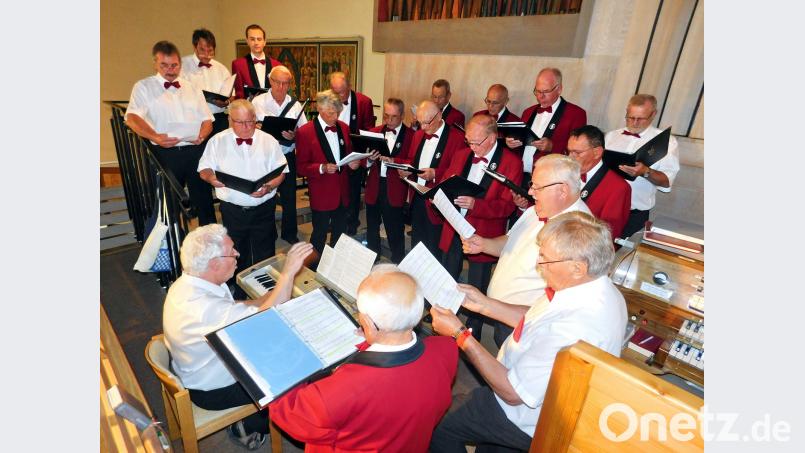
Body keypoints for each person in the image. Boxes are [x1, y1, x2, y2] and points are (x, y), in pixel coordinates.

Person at [429, 211, 627, 452]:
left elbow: (513, 392)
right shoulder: (595, 287)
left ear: (577, 268)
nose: (538, 265)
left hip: (521, 417)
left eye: (545, 259)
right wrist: (485, 305)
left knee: (441, 423)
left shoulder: (576, 325)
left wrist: (459, 334)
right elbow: (538, 318)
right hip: (522, 394)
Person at [270, 264, 458, 452]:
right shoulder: (447, 349)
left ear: (368, 322)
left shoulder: (340, 392)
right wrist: (372, 340)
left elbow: (292, 415)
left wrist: (283, 358)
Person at [162, 224, 313, 450]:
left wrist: (265, 298)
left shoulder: (189, 283)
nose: (237, 254)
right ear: (214, 264)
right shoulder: (204, 309)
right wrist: (288, 273)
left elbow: (232, 309)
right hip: (215, 391)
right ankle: (254, 424)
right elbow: (267, 319)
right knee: (301, 368)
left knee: (284, 348)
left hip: (195, 369)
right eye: (231, 252)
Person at [463, 154, 591, 347]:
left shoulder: (578, 234)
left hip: (527, 325)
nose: (530, 192)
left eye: (537, 187)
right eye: (532, 184)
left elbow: (559, 305)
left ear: (563, 190)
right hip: (503, 314)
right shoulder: (537, 209)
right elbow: (511, 242)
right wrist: (484, 245)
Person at [438, 114, 522, 341]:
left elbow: (507, 207)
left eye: (476, 142)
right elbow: (445, 180)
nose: (472, 147)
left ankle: (473, 326)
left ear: (493, 138)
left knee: (478, 283)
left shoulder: (512, 162)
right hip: (454, 226)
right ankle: (445, 314)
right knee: (448, 273)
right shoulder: (461, 154)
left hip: (484, 234)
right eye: (469, 141)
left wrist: (477, 205)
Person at [197, 100, 288, 294]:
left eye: (250, 121)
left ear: (255, 118)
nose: (246, 127)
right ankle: (240, 293)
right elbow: (203, 169)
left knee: (266, 252)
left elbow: (282, 171)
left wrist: (269, 187)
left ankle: (266, 295)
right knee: (237, 253)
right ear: (230, 120)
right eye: (240, 122)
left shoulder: (268, 140)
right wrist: (211, 178)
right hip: (233, 211)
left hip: (264, 208)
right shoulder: (217, 141)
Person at [125, 40, 216, 226]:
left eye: (174, 65)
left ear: (180, 64)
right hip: (164, 153)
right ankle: (174, 241)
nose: (170, 70)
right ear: (155, 64)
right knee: (169, 205)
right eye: (164, 65)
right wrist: (155, 137)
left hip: (195, 151)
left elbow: (208, 119)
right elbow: (132, 118)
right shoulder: (143, 87)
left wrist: (202, 135)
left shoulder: (192, 87)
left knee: (204, 202)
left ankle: (211, 240)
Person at [295, 90, 364, 257]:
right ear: (320, 109)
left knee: (340, 235)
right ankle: (313, 267)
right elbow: (301, 167)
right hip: (322, 194)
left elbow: (348, 156)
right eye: (331, 113)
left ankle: (334, 264)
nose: (335, 117)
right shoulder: (305, 132)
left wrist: (353, 164)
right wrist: (321, 168)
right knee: (319, 235)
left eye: (338, 113)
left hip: (342, 192)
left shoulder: (344, 128)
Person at [605, 94, 680, 238]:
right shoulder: (611, 136)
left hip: (633, 215)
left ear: (653, 114)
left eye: (640, 118)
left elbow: (666, 182)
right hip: (604, 208)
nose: (634, 123)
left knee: (623, 251)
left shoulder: (666, 142)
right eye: (630, 117)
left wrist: (646, 172)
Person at [398, 100, 466, 260]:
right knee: (417, 244)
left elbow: (459, 171)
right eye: (419, 122)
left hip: (439, 201)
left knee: (435, 248)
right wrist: (407, 171)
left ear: (439, 116)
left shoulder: (457, 138)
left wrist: (435, 173)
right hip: (417, 197)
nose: (422, 127)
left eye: (426, 123)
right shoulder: (418, 135)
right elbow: (413, 160)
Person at [252, 65, 309, 244]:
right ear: (270, 81)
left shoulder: (295, 105)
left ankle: (289, 233)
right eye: (278, 82)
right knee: (266, 197)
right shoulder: (258, 102)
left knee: (289, 197)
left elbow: (305, 131)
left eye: (286, 83)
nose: (281, 87)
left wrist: (295, 135)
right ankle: (268, 234)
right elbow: (248, 126)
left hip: (286, 156)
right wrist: (257, 128)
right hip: (264, 157)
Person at [506, 67, 587, 182]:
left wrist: (553, 147)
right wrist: (511, 144)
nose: (540, 96)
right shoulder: (528, 112)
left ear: (559, 89)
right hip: (520, 176)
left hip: (551, 179)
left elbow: (579, 153)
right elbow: (521, 145)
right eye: (537, 91)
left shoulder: (576, 114)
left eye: (545, 91)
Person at [364, 98, 414, 263]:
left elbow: (413, 161)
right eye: (386, 116)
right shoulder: (374, 132)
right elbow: (363, 160)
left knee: (395, 228)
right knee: (372, 226)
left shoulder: (411, 136)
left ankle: (398, 261)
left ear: (402, 116)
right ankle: (373, 259)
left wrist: (394, 161)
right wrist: (369, 159)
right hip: (374, 185)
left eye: (394, 116)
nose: (389, 120)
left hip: (395, 187)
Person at [329, 71, 376, 235]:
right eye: (334, 92)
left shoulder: (364, 102)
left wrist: (361, 157)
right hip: (333, 152)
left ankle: (351, 223)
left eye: (341, 92)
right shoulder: (328, 100)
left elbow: (368, 130)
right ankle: (334, 220)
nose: (337, 97)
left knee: (353, 191)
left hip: (354, 154)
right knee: (334, 189)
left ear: (349, 87)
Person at [567, 125, 631, 240]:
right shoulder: (564, 173)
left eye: (577, 152)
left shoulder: (619, 188)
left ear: (597, 152)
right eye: (569, 151)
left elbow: (608, 235)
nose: (570, 157)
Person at [180, 28, 232, 137]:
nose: (207, 54)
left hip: (219, 119)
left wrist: (226, 101)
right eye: (202, 50)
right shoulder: (182, 66)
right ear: (195, 47)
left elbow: (231, 94)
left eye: (210, 51)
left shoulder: (221, 68)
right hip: (195, 120)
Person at [232, 24, 282, 99]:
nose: (256, 43)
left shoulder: (277, 65)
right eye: (252, 39)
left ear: (264, 42)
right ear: (247, 41)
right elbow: (239, 95)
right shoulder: (238, 64)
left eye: (259, 39)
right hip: (249, 106)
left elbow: (280, 91)